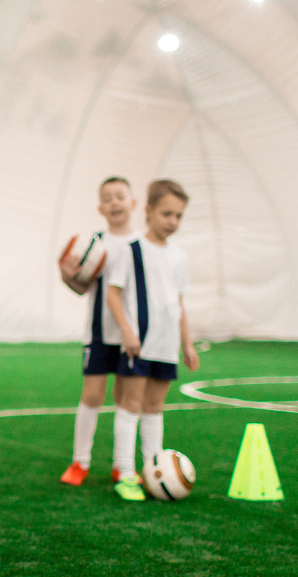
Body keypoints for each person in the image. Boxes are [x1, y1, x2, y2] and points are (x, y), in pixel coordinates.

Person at [105, 179, 200, 501]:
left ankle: (152, 470)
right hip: (138, 345)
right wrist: (128, 333)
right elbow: (113, 295)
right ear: (148, 211)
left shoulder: (179, 257)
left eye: (178, 216)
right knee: (131, 406)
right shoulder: (131, 251)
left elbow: (179, 304)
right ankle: (125, 472)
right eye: (166, 214)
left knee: (155, 408)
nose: (172, 221)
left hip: (166, 345)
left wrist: (186, 343)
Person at [58, 177, 142, 487]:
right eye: (107, 198)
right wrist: (67, 276)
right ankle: (80, 463)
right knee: (92, 395)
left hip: (132, 336)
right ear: (100, 207)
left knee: (126, 398)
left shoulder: (142, 245)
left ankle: (122, 465)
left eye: (120, 196)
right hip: (98, 334)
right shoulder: (92, 243)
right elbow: (82, 288)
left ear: (133, 203)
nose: (114, 202)